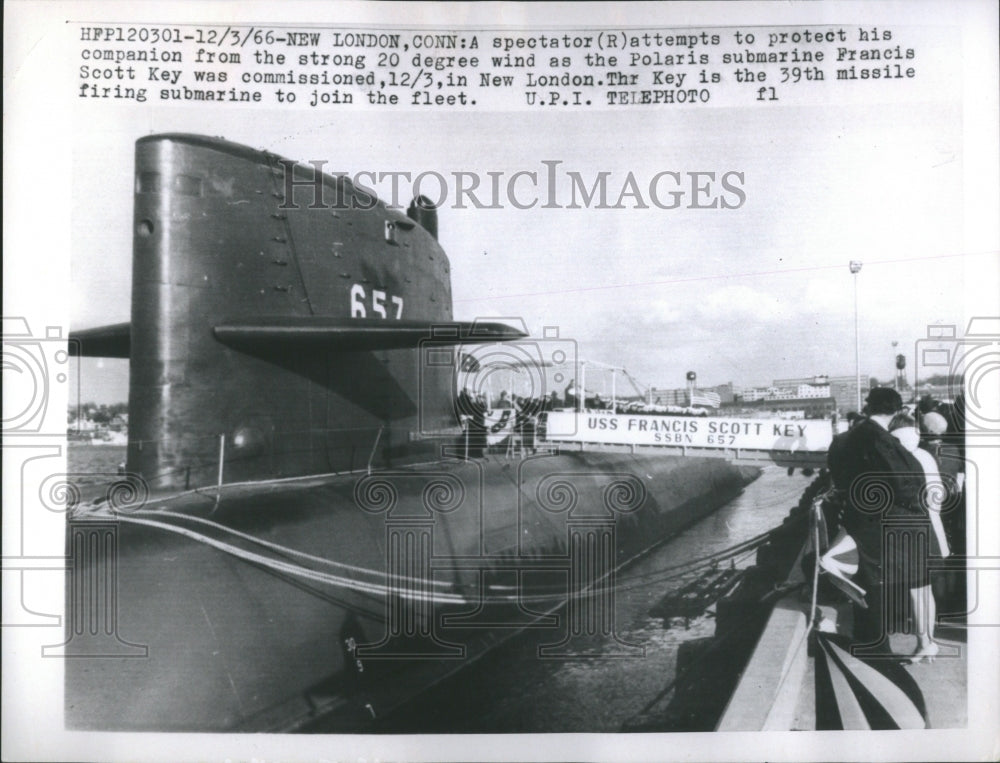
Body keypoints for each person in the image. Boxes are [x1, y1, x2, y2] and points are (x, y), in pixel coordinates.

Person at [835, 387, 925, 655]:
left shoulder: (855, 435)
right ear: (897, 410)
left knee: (866, 581)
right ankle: (877, 647)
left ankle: (868, 642)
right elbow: (901, 480)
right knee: (876, 584)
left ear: (869, 407)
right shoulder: (878, 437)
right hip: (878, 520)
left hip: (860, 515)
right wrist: (915, 498)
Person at [889, 413, 950, 663]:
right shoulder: (925, 455)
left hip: (913, 532)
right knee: (924, 590)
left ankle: (925, 643)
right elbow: (939, 495)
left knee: (916, 591)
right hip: (932, 530)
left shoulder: (900, 459)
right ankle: (928, 642)